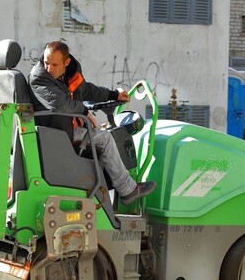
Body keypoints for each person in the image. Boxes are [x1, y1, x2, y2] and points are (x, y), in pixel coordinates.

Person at [28, 41, 155, 205]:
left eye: (54, 64)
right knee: (105, 138)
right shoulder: (39, 77)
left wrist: (114, 94)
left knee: (98, 136)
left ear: (66, 62)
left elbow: (86, 90)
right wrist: (82, 111)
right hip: (55, 132)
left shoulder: (71, 72)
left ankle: (102, 195)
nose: (48, 68)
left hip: (65, 127)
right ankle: (128, 190)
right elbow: (59, 104)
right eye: (46, 62)